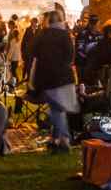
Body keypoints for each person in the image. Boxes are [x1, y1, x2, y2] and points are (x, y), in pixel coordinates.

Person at [29, 8, 78, 151]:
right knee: (57, 108)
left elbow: (32, 50)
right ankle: (56, 138)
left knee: (56, 109)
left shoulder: (43, 34)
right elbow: (70, 56)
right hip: (63, 77)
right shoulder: (65, 35)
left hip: (47, 77)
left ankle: (63, 139)